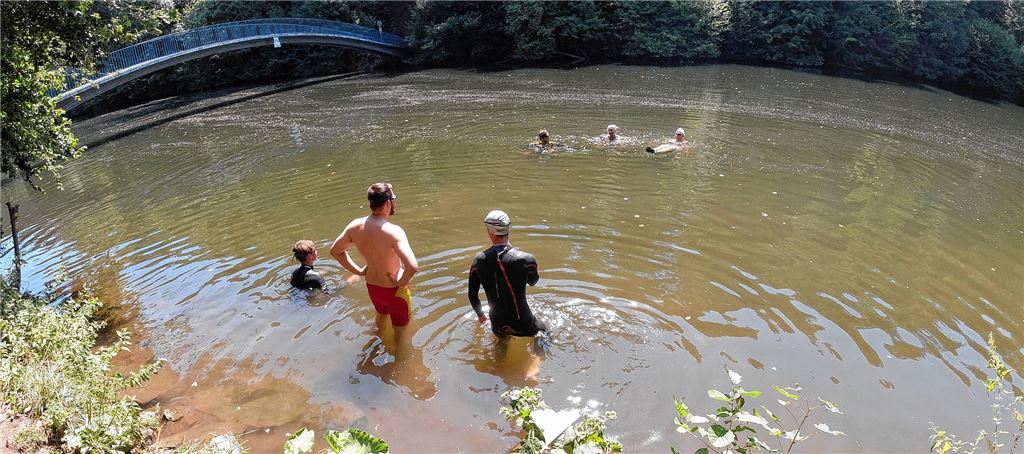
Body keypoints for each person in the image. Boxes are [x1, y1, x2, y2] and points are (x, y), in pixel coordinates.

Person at [331, 183, 419, 341]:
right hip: (394, 291)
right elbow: (412, 267)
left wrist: (358, 271)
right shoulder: (393, 231)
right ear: (388, 203)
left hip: (373, 287)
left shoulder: (355, 226)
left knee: (379, 318)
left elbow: (335, 251)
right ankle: (398, 363)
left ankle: (373, 348)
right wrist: (401, 282)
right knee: (401, 334)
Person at [467, 210, 546, 337]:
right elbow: (532, 281)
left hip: (497, 324)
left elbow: (472, 295)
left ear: (489, 230)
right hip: (523, 322)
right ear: (508, 227)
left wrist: (481, 316)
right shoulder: (527, 260)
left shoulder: (478, 260)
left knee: (500, 348)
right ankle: (537, 357)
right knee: (543, 332)